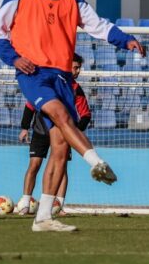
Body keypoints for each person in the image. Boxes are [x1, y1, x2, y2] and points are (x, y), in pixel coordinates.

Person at [0, 0, 144, 232]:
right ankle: (96, 162)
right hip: (34, 73)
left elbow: (99, 25)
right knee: (60, 114)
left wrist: (126, 39)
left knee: (60, 149)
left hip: (62, 76)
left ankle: (44, 217)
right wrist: (14, 58)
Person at [16, 53, 92, 216]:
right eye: (74, 67)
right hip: (41, 129)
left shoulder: (76, 90)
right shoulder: (49, 81)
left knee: (62, 167)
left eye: (78, 68)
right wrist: (24, 128)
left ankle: (59, 206)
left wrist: (73, 132)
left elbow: (85, 115)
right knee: (34, 165)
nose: (77, 71)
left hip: (63, 134)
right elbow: (30, 105)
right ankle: (25, 202)